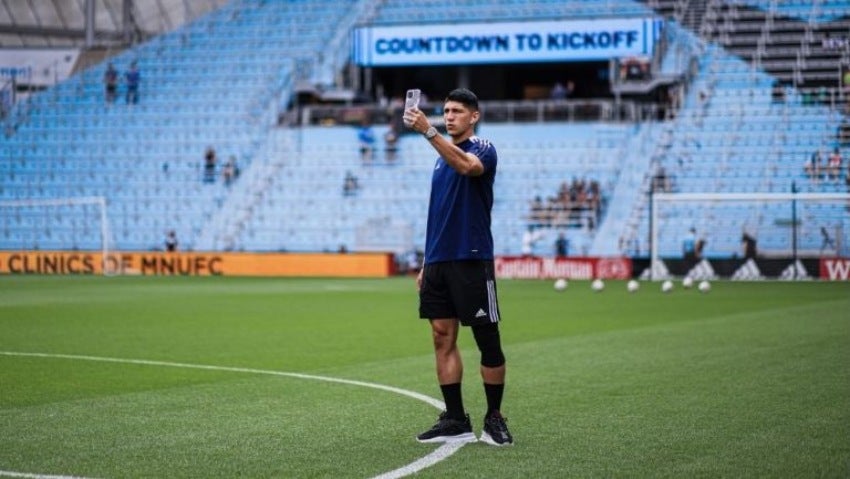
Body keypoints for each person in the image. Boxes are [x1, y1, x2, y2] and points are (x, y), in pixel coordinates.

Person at [402, 88, 513, 447]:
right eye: (446, 111)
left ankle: (494, 417)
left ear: (474, 116)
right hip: (438, 261)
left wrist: (429, 132)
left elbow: (469, 168)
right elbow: (439, 214)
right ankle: (455, 418)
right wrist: (425, 260)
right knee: (441, 337)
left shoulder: (483, 148)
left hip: (471, 257)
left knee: (487, 339)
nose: (449, 117)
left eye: (457, 111)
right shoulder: (439, 160)